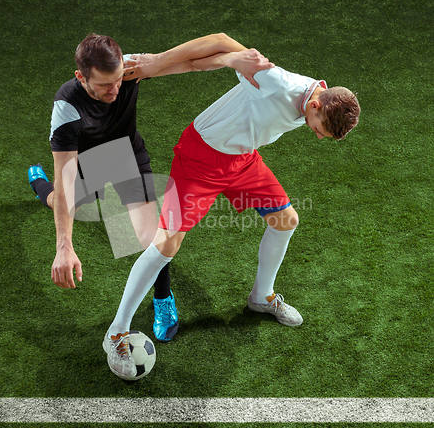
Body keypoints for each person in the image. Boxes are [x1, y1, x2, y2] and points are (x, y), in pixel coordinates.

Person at [103, 49, 361, 379]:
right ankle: (116, 332)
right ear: (315, 105)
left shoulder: (319, 99)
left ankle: (261, 297)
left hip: (241, 160)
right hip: (201, 158)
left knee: (286, 220)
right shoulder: (277, 81)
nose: (316, 135)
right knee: (167, 244)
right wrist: (157, 62)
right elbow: (223, 43)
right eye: (318, 129)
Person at [27, 32, 272, 344]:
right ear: (80, 76)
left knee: (152, 237)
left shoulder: (128, 68)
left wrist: (230, 59)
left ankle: (163, 299)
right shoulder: (66, 108)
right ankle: (38, 184)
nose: (114, 89)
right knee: (59, 199)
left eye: (117, 81)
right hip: (87, 162)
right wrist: (64, 245)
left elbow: (198, 57)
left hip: (127, 155)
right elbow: (67, 180)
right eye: (104, 85)